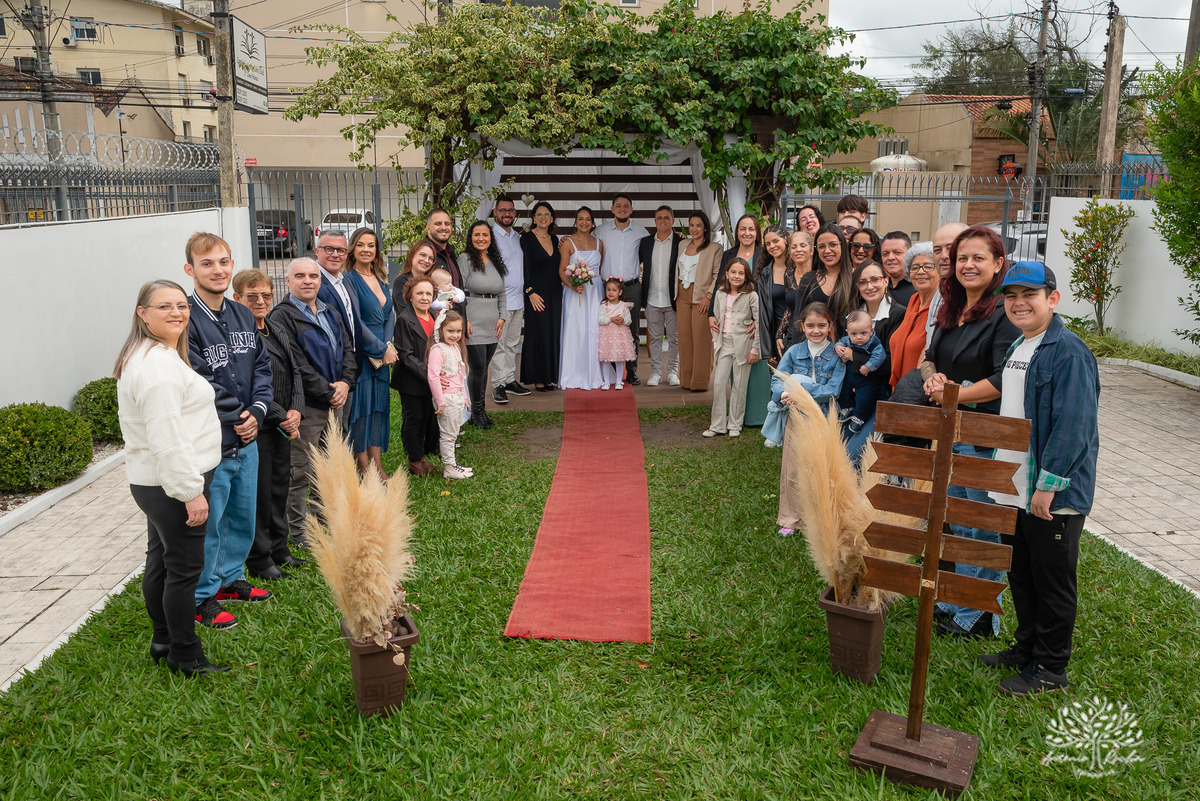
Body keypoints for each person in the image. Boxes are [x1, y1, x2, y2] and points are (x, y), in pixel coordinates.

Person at [982, 261, 1099, 697]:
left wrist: (1048, 486)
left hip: (1051, 492)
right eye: (1011, 296)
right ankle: (1026, 648)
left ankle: (1051, 668)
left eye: (1028, 295)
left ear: (1052, 298)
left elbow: (1075, 425)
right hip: (1015, 482)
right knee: (1022, 573)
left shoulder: (1068, 352)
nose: (1018, 303)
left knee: (1052, 580)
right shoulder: (1022, 344)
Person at [115, 279, 226, 677]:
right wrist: (190, 493)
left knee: (161, 562)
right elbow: (168, 438)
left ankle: (163, 638)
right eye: (165, 307)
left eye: (181, 305)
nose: (177, 312)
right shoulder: (157, 368)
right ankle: (185, 654)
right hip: (173, 484)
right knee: (183, 570)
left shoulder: (153, 354)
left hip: (156, 483)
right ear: (143, 314)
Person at [921, 226, 1022, 639]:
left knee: (980, 521)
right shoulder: (951, 306)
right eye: (963, 257)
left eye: (979, 257)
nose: (968, 264)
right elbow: (928, 357)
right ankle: (960, 599)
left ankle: (981, 615)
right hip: (951, 428)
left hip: (984, 432)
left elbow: (1004, 378)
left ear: (998, 264)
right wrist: (931, 379)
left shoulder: (1003, 314)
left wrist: (955, 395)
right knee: (957, 519)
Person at [183, 232, 273, 630]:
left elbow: (262, 369)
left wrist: (257, 410)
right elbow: (198, 379)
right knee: (212, 520)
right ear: (191, 270)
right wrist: (240, 416)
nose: (217, 270)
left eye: (223, 261)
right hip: (213, 440)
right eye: (207, 264)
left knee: (241, 514)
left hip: (248, 436)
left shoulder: (241, 313)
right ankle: (202, 596)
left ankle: (231, 579)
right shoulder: (185, 318)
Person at [268, 258, 356, 539]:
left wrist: (345, 383)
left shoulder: (330, 312)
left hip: (335, 404)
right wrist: (329, 392)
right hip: (306, 408)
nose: (308, 281)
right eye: (300, 276)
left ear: (320, 280)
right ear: (288, 281)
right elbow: (296, 363)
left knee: (329, 469)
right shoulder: (281, 317)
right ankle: (299, 532)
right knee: (301, 472)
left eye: (313, 276)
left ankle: (324, 524)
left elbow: (348, 351)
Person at [232, 269, 304, 583]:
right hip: (260, 426)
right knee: (259, 495)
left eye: (265, 294)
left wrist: (297, 410)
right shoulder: (238, 337)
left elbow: (296, 370)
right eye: (252, 296)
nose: (261, 301)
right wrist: (282, 415)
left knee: (279, 488)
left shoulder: (275, 326)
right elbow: (246, 385)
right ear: (237, 299)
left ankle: (280, 548)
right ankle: (260, 559)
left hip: (284, 424)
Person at [774, 302, 846, 537]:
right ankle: (791, 517)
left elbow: (832, 389)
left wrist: (800, 391)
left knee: (822, 467)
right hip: (796, 418)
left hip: (824, 418)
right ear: (802, 326)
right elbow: (777, 380)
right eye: (810, 326)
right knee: (793, 467)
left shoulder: (836, 354)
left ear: (830, 326)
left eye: (822, 325)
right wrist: (784, 393)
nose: (816, 330)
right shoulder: (794, 352)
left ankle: (820, 516)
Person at [344, 227, 397, 480]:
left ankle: (377, 463)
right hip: (363, 353)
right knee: (362, 409)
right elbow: (355, 320)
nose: (366, 249)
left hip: (381, 354)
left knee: (378, 407)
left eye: (372, 245)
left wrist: (386, 346)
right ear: (353, 249)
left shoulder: (380, 278)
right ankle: (363, 466)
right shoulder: (349, 280)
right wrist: (379, 348)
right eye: (361, 245)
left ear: (377, 251)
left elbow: (389, 316)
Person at [710, 214, 769, 427]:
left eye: (751, 229)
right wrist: (711, 315)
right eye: (742, 229)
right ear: (736, 232)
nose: (747, 233)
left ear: (757, 232)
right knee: (734, 375)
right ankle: (735, 418)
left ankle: (757, 417)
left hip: (757, 318)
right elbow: (720, 285)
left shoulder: (765, 254)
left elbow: (768, 287)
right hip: (732, 324)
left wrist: (759, 319)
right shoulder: (729, 254)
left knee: (756, 372)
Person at [458, 220, 508, 427]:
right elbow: (458, 291)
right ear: (471, 237)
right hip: (473, 321)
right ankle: (475, 412)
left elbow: (503, 291)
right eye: (476, 235)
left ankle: (479, 410)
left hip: (492, 322)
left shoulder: (495, 260)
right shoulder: (465, 259)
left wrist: (502, 316)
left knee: (484, 368)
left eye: (485, 235)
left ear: (490, 238)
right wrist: (464, 319)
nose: (481, 239)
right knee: (478, 368)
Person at [704, 258, 760, 439]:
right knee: (719, 384)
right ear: (727, 274)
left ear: (746, 276)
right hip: (724, 343)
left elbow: (758, 322)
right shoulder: (720, 293)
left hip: (744, 344)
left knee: (739, 386)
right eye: (733, 272)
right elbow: (717, 321)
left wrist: (755, 349)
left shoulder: (751, 294)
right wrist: (715, 344)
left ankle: (735, 423)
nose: (737, 276)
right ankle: (717, 424)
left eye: (741, 273)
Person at [595, 194, 648, 385]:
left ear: (631, 209)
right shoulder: (600, 231)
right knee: (603, 327)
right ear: (612, 209)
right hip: (605, 287)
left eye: (626, 206)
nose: (622, 209)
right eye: (618, 206)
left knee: (631, 328)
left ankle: (631, 370)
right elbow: (585, 245)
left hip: (631, 287)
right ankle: (606, 369)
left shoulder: (641, 232)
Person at [392, 276, 441, 475]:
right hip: (412, 380)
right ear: (410, 296)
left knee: (427, 417)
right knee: (414, 419)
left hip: (429, 380)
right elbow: (405, 355)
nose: (424, 297)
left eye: (428, 293)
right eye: (419, 293)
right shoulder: (405, 319)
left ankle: (422, 454)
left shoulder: (433, 316)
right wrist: (430, 375)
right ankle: (414, 460)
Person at [315, 229, 359, 426]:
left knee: (342, 428)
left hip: (346, 367)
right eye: (329, 249)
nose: (335, 254)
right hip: (327, 375)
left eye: (340, 250)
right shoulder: (314, 283)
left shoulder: (345, 281)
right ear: (317, 251)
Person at [674, 211, 722, 391]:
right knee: (685, 339)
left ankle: (700, 382)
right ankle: (686, 380)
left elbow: (718, 275)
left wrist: (708, 296)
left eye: (698, 225)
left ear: (705, 228)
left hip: (702, 296)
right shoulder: (682, 245)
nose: (694, 229)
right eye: (691, 225)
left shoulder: (714, 248)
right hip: (682, 295)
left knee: (702, 339)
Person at [558, 206, 605, 390]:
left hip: (595, 292)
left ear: (592, 222)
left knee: (594, 330)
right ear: (575, 221)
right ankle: (573, 373)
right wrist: (573, 285)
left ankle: (595, 373)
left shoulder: (599, 243)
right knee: (575, 331)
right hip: (575, 292)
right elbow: (562, 271)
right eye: (580, 219)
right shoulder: (568, 243)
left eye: (587, 219)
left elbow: (599, 270)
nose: (584, 222)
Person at [490, 196, 531, 403]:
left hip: (518, 299)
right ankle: (498, 384)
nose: (507, 214)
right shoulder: (490, 237)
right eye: (503, 210)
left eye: (511, 211)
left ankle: (509, 379)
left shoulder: (517, 237)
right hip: (501, 300)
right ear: (495, 212)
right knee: (500, 343)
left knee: (513, 343)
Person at [789, 222, 854, 347]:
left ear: (843, 246)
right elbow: (798, 321)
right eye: (821, 246)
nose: (827, 250)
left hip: (844, 354)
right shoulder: (808, 280)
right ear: (816, 249)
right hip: (811, 355)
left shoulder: (854, 278)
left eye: (833, 245)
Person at [520, 201, 563, 391]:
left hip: (555, 293)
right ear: (533, 218)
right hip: (535, 294)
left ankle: (550, 376)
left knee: (552, 333)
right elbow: (525, 267)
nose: (543, 217)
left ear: (552, 217)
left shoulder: (555, 240)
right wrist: (530, 292)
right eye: (539, 214)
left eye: (547, 213)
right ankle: (537, 376)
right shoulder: (527, 239)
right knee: (537, 334)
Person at [426, 310, 473, 480]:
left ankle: (452, 464)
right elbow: (433, 376)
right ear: (440, 330)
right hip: (446, 398)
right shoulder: (438, 350)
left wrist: (465, 397)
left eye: (458, 331)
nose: (455, 335)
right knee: (447, 434)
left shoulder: (455, 348)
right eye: (450, 331)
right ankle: (448, 467)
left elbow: (459, 376)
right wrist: (440, 401)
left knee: (453, 432)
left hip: (457, 397)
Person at [639, 205, 681, 386]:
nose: (662, 220)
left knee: (674, 338)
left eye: (666, 217)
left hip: (673, 299)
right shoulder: (646, 243)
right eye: (659, 218)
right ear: (655, 221)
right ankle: (655, 372)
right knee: (654, 338)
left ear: (672, 220)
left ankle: (672, 372)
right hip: (652, 298)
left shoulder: (681, 242)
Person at [888, 242, 938, 389]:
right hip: (901, 389)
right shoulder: (913, 300)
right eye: (915, 267)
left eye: (928, 266)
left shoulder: (941, 306)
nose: (920, 272)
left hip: (920, 392)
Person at [835, 309, 888, 434]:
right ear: (848, 333)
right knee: (843, 391)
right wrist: (837, 347)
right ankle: (846, 408)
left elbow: (879, 356)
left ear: (871, 331)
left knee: (865, 398)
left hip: (867, 380)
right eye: (854, 334)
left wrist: (868, 366)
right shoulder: (847, 339)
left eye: (863, 333)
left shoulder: (874, 343)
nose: (859, 337)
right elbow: (840, 342)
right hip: (851, 377)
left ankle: (859, 418)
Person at [924, 221, 970, 355]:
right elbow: (929, 344)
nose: (943, 256)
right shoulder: (941, 291)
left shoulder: (977, 294)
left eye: (950, 248)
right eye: (937, 250)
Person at [760, 224, 796, 368]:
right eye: (768, 244)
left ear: (786, 239)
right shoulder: (765, 273)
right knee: (779, 382)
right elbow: (763, 313)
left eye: (776, 241)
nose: (772, 246)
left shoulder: (798, 266)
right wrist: (767, 349)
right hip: (776, 334)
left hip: (796, 330)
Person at [598, 277, 636, 390]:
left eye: (614, 290)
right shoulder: (604, 305)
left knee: (619, 359)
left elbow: (629, 320)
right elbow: (600, 319)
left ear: (620, 292)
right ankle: (606, 381)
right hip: (606, 336)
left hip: (620, 337)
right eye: (608, 289)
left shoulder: (624, 306)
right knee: (606, 359)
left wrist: (623, 320)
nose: (610, 292)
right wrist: (611, 319)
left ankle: (619, 381)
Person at [392, 239, 437, 312]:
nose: (426, 261)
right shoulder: (401, 281)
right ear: (412, 255)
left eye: (431, 258)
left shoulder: (431, 283)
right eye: (423, 255)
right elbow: (405, 311)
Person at [880, 231, 917, 308]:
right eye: (885, 254)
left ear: (910, 255)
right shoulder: (879, 287)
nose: (890, 258)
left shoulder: (918, 287)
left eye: (897, 252)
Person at [425, 209, 462, 286]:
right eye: (438, 224)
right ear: (428, 228)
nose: (444, 227)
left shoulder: (450, 251)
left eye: (447, 224)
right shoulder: (424, 254)